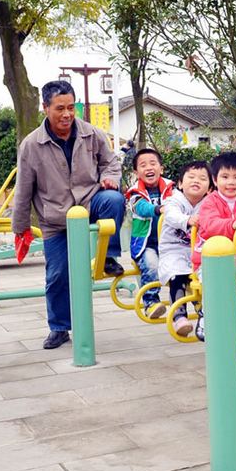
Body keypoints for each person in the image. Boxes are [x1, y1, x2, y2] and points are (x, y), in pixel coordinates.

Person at [13, 80, 125, 350]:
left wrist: (110, 178)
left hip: (90, 203)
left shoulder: (92, 134)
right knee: (57, 275)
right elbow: (24, 188)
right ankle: (59, 327)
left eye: (71, 107)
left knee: (114, 199)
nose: (66, 114)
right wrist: (20, 227)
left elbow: (111, 162)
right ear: (45, 108)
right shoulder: (31, 145)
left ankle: (108, 256)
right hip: (56, 219)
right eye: (59, 108)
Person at [191, 151, 236, 340]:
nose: (231, 182)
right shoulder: (210, 202)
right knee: (216, 283)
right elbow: (209, 225)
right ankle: (206, 316)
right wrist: (231, 224)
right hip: (210, 260)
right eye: (225, 177)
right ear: (215, 180)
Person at [159, 161, 211, 336]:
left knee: (207, 278)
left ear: (209, 187)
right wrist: (187, 220)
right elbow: (171, 215)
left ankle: (205, 314)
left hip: (199, 251)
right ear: (180, 183)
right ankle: (179, 316)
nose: (196, 180)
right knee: (177, 275)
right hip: (174, 249)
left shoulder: (209, 203)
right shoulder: (174, 200)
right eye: (191, 177)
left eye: (203, 178)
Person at [126, 148, 174, 318]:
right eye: (143, 165)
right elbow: (141, 208)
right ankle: (151, 302)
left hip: (169, 242)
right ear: (136, 172)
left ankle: (187, 304)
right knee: (152, 265)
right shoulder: (134, 193)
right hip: (146, 244)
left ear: (161, 168)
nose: (148, 168)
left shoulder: (171, 189)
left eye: (153, 164)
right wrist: (158, 208)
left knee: (183, 267)